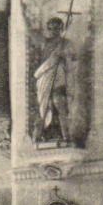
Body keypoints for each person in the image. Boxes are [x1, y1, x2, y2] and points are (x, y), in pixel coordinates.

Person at [33, 16, 74, 145]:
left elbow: (72, 58)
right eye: (51, 29)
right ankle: (38, 136)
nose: (53, 31)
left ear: (60, 29)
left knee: (59, 104)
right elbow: (32, 35)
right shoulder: (44, 43)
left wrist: (64, 54)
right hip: (45, 76)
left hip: (58, 77)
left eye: (56, 28)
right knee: (44, 107)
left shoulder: (65, 43)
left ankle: (66, 136)